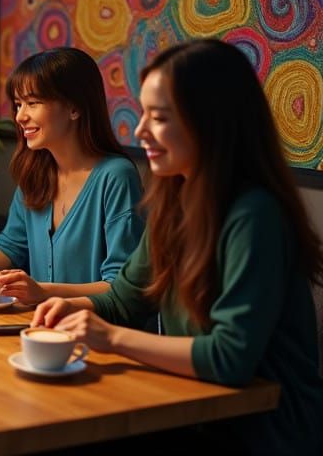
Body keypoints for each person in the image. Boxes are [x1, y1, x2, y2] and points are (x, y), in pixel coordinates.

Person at [33, 39, 323, 454]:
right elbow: (123, 300)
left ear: (210, 122)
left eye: (159, 118)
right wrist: (68, 307)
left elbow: (229, 358)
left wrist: (111, 338)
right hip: (194, 411)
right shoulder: (175, 201)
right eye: (143, 114)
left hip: (263, 430)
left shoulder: (254, 214)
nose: (139, 132)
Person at [0, 47, 144, 305]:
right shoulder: (34, 173)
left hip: (96, 327)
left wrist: (44, 292)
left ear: (74, 107)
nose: (20, 116)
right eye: (18, 104)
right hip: (41, 324)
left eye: (33, 103)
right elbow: (11, 247)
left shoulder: (116, 177)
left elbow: (120, 286)